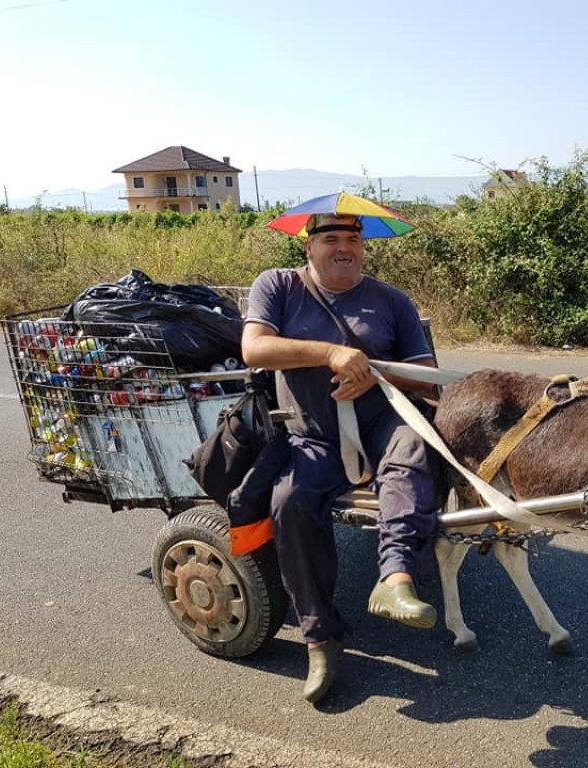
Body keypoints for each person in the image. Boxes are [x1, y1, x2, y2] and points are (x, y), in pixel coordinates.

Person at [241, 212, 442, 704]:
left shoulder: (390, 299)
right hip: (311, 431)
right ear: (308, 248)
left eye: (353, 239)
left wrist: (371, 370)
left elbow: (427, 370)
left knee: (415, 451)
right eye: (331, 239)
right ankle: (319, 637)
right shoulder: (278, 285)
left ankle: (395, 578)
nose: (344, 247)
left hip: (379, 423)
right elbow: (255, 348)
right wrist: (331, 353)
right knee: (290, 502)